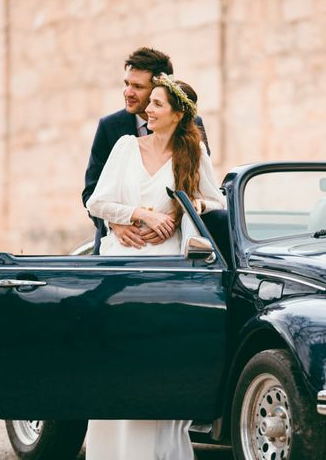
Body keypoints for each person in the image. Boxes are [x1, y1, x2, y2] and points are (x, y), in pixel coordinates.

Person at [84, 74, 225, 459]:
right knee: (119, 367)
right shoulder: (126, 146)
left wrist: (190, 209)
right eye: (151, 103)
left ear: (178, 114)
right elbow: (96, 202)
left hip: (167, 270)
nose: (148, 109)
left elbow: (217, 202)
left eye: (158, 104)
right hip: (121, 268)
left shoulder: (193, 154)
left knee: (156, 369)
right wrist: (138, 214)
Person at [82, 47, 210, 254]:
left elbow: (196, 185)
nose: (128, 92)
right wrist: (117, 223)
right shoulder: (110, 127)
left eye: (137, 87)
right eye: (126, 84)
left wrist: (174, 219)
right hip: (121, 245)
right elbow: (92, 193)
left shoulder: (191, 126)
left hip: (168, 248)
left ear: (159, 86)